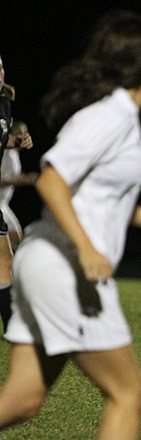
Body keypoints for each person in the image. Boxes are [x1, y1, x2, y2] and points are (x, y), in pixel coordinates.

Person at [0, 11, 141, 440]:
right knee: (129, 393)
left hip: (47, 261)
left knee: (23, 401)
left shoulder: (116, 116)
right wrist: (87, 248)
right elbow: (51, 181)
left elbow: (98, 197)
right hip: (65, 264)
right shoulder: (111, 116)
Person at [0, 56, 33, 333]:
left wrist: (17, 142)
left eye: (0, 67)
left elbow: (2, 139)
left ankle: (12, 323)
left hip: (1, 206)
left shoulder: (4, 102)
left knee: (6, 257)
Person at [1, 120, 38, 249]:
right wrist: (22, 180)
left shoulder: (14, 154)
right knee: (14, 243)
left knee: (16, 241)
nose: (24, 136)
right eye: (20, 133)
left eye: (26, 132)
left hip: (3, 205)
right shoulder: (4, 153)